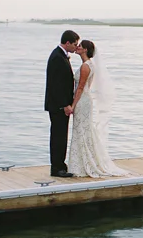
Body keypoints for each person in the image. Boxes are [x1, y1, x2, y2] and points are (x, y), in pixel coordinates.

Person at [68, 40, 129, 178]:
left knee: (82, 131)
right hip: (85, 100)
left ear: (85, 50)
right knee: (83, 131)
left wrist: (73, 105)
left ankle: (84, 163)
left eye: (80, 46)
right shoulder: (90, 65)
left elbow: (81, 88)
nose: (77, 47)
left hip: (82, 101)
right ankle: (82, 162)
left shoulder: (85, 66)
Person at [44, 30, 79, 178]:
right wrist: (65, 105)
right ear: (67, 43)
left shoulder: (59, 55)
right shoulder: (57, 57)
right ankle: (57, 168)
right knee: (58, 136)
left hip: (59, 104)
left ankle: (60, 165)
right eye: (74, 44)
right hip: (58, 106)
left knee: (60, 135)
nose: (76, 47)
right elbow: (56, 85)